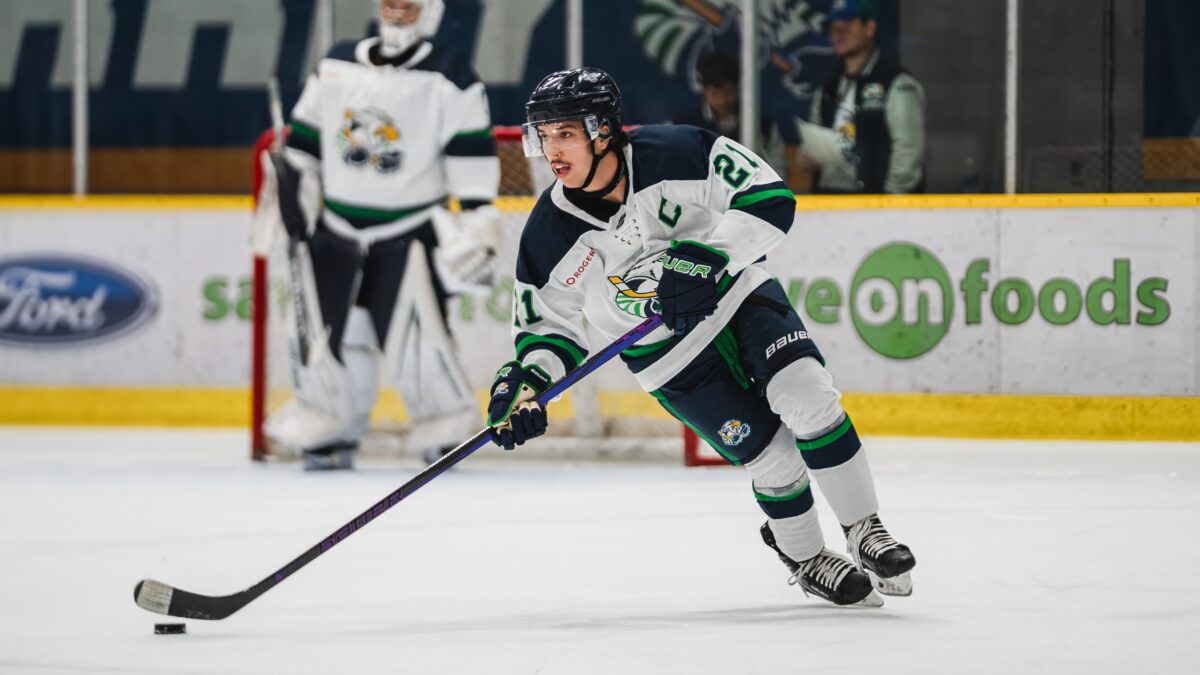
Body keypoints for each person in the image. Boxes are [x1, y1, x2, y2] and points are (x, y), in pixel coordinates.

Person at [486, 67, 916, 607]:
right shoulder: (548, 233)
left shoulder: (679, 151)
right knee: (773, 458)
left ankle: (864, 528)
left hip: (734, 297)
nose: (552, 150)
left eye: (565, 133)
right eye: (543, 136)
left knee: (806, 393)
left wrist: (710, 255)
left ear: (603, 131)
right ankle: (806, 557)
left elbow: (768, 196)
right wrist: (527, 383)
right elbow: (548, 327)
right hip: (666, 359)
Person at [262, 0, 500, 470]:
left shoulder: (450, 74)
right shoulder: (336, 63)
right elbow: (307, 146)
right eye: (392, 4)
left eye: (409, 7)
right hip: (334, 230)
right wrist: (292, 186)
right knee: (331, 339)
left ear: (430, 12)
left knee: (422, 339)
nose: (398, 14)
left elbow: (471, 167)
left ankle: (443, 429)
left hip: (408, 231)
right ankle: (329, 426)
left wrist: (477, 226)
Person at [793, 0, 925, 194]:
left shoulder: (896, 82)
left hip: (875, 205)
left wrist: (888, 204)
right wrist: (806, 156)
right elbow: (812, 138)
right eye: (834, 28)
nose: (838, 34)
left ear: (869, 28)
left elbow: (908, 155)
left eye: (846, 27)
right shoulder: (829, 86)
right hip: (828, 202)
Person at [673, 50, 791, 189]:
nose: (723, 100)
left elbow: (778, 171)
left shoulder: (761, 126)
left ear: (739, 88)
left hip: (751, 201)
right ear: (704, 91)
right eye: (715, 94)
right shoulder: (687, 128)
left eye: (728, 92)